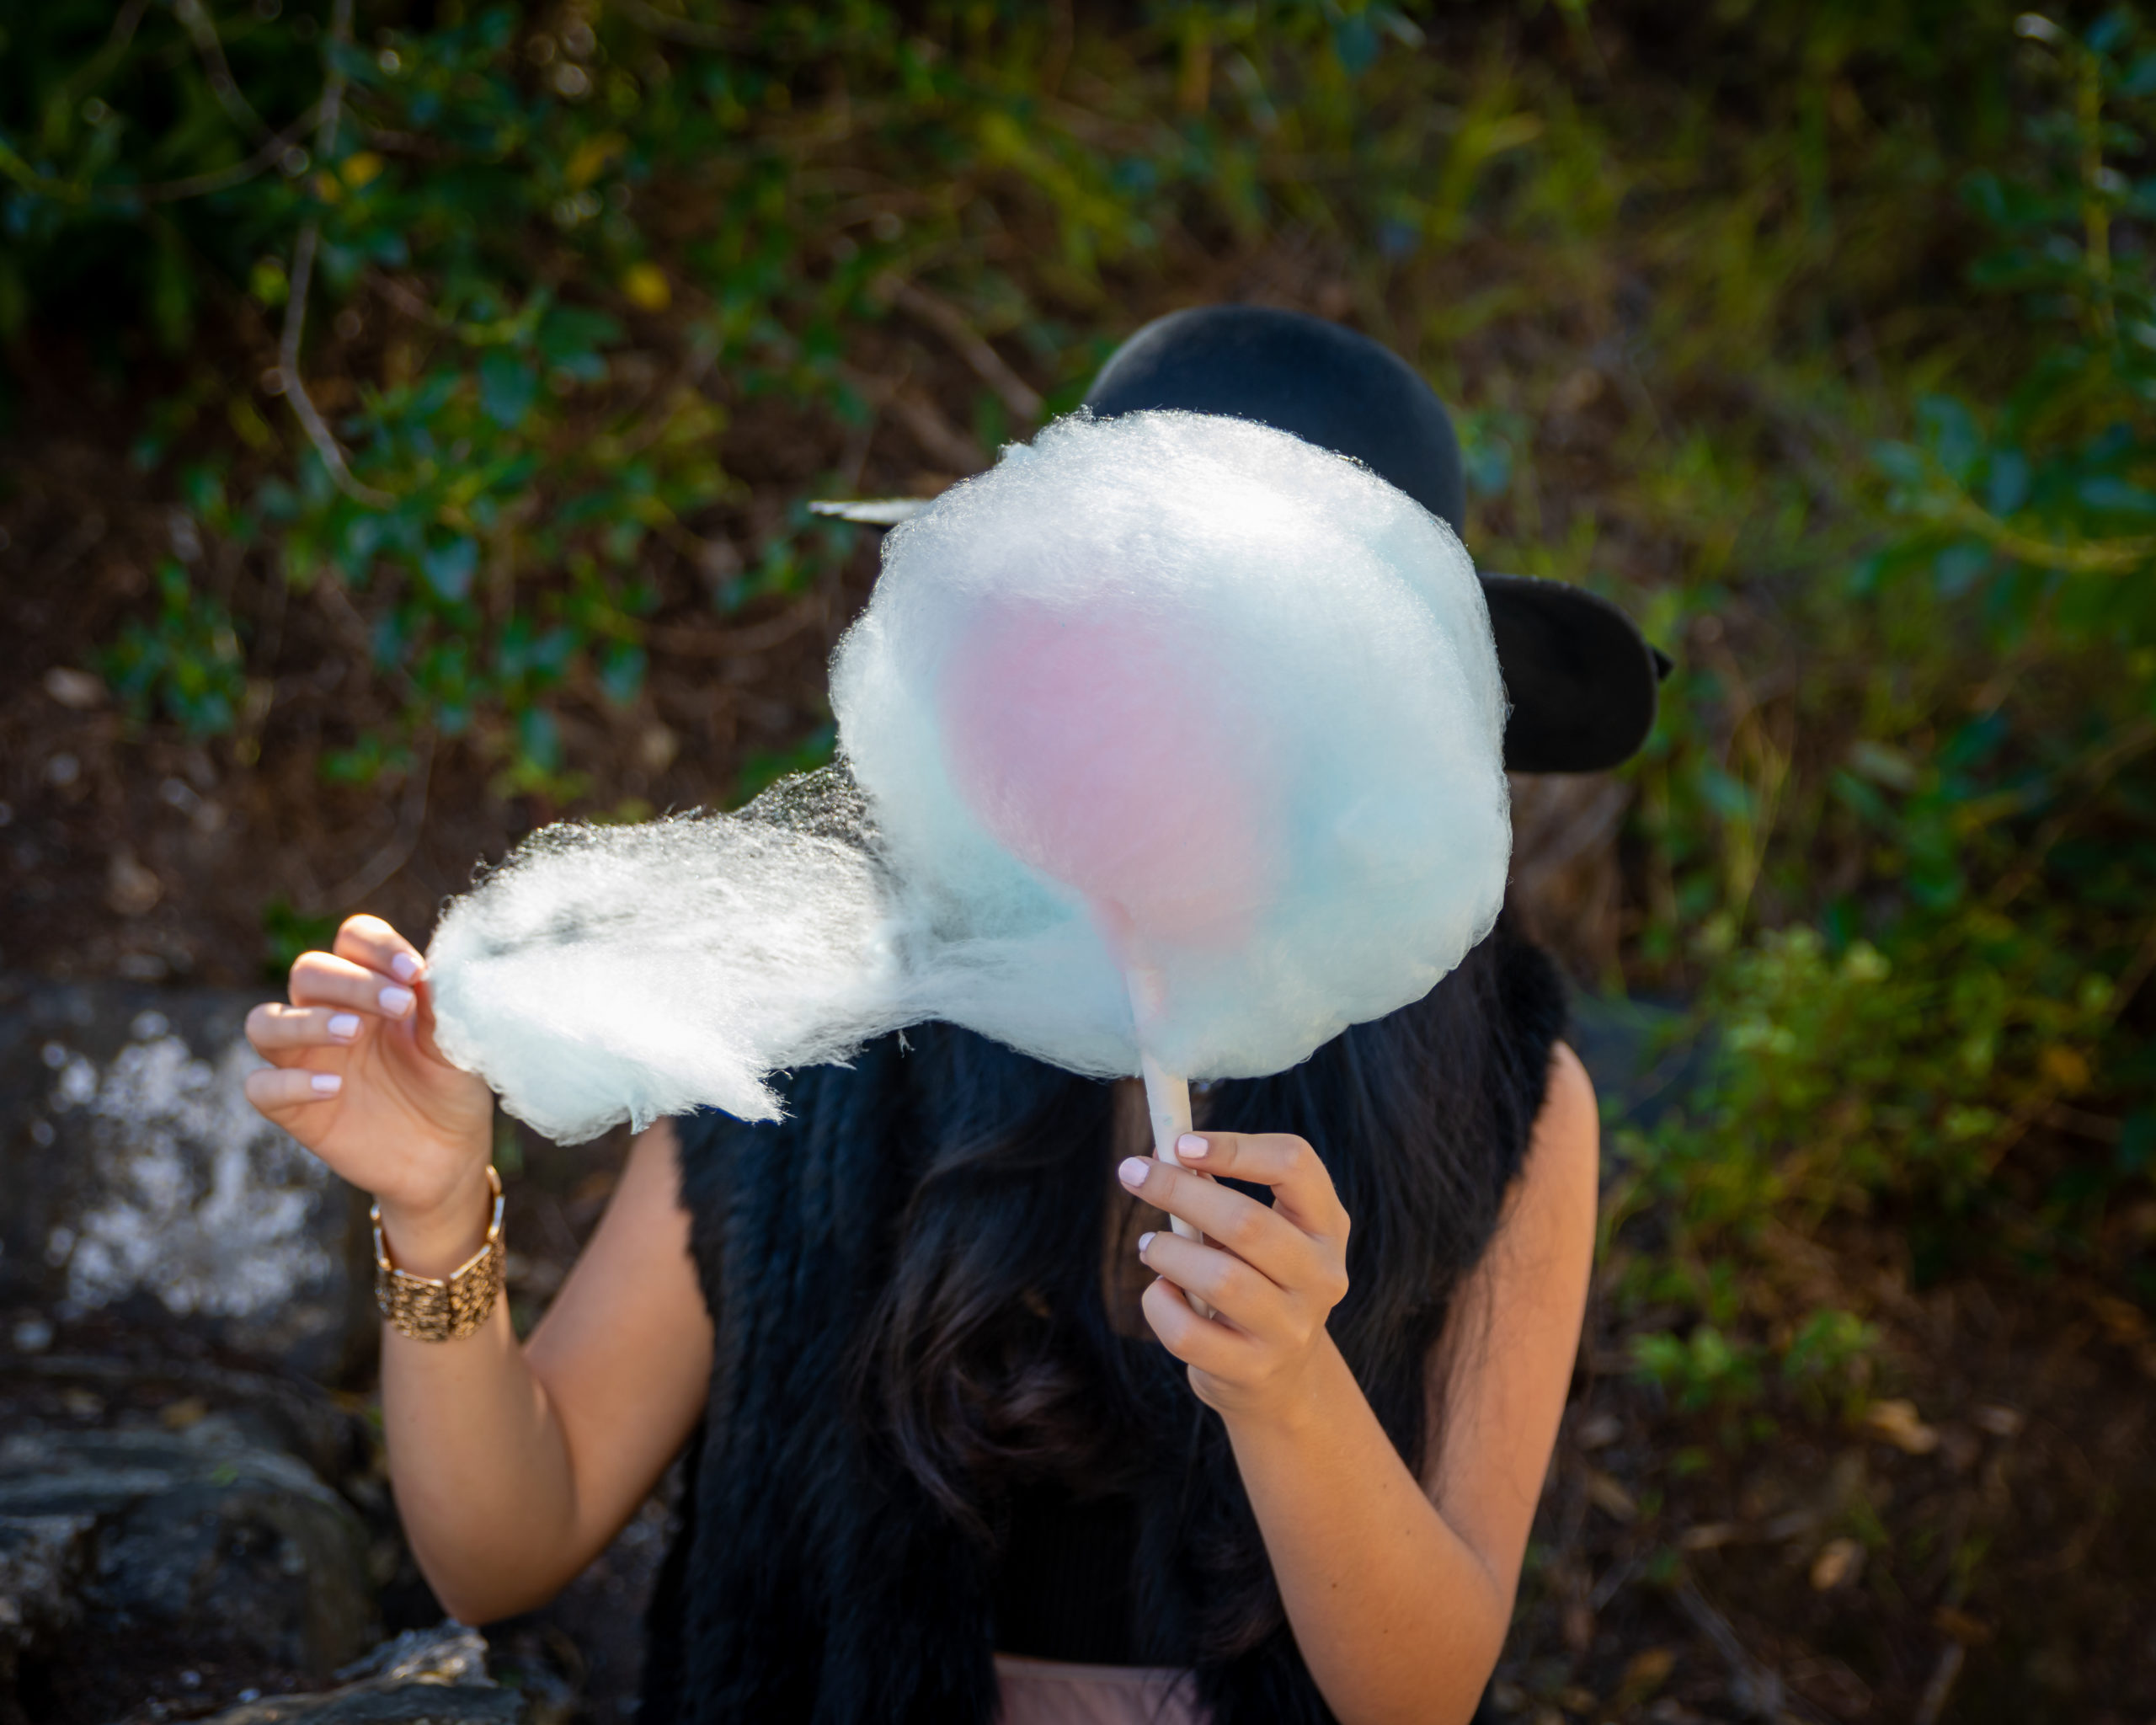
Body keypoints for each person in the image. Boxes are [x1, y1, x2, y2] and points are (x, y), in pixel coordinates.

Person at [244, 307, 1667, 1725]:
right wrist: (435, 1209)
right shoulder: (836, 1007)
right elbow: (504, 1547)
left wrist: (1290, 1392)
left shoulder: (1504, 1098)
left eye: (1251, 681)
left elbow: (1420, 1695)